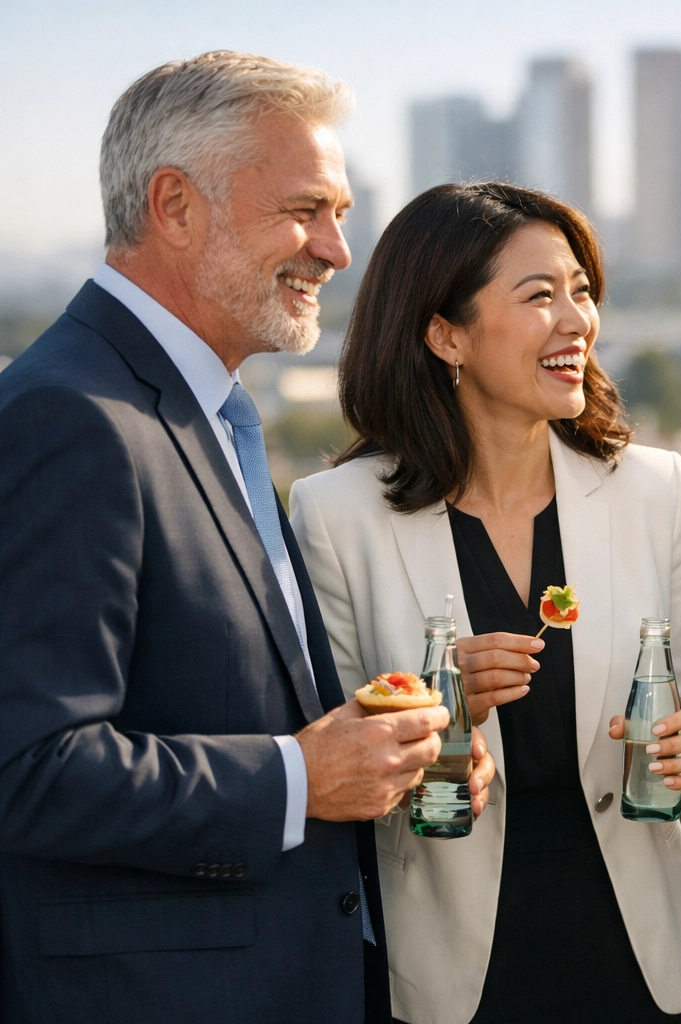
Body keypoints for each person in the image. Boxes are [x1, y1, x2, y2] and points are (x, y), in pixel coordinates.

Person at [0, 52, 496, 1023]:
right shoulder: (70, 418)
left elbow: (202, 690)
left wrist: (375, 748)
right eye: (306, 209)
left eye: (342, 214)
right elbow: (29, 767)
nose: (336, 249)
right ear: (175, 206)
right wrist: (305, 776)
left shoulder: (206, 411)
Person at [289, 182, 681, 1024]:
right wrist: (430, 706)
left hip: (644, 965)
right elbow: (327, 751)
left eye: (582, 292)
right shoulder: (334, 515)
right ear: (445, 333)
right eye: (540, 296)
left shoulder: (652, 488)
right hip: (448, 975)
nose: (578, 321)